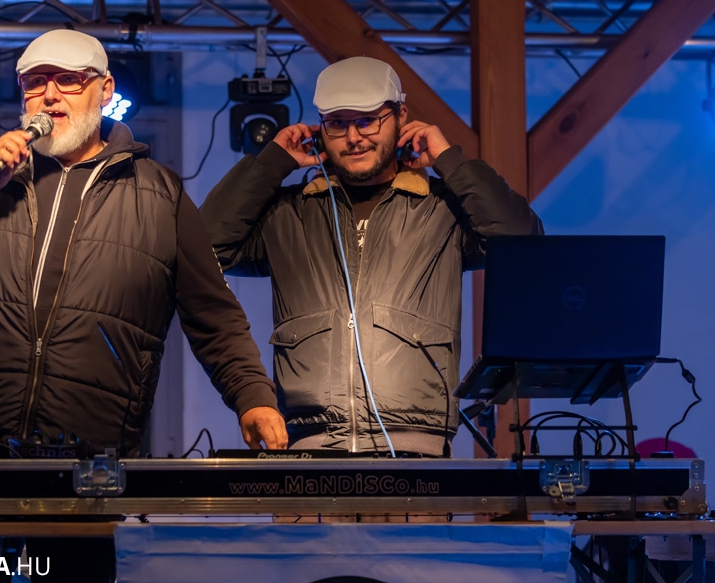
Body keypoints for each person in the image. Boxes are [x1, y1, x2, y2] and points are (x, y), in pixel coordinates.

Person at [0, 29, 287, 583]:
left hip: (86, 474)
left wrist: (253, 397)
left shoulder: (160, 195)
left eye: (68, 80)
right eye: (35, 82)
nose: (49, 95)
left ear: (105, 89)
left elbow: (214, 317)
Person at [201, 56, 542, 458]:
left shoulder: (442, 210)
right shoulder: (289, 212)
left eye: (367, 121)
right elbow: (204, 251)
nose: (353, 137)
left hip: (418, 452)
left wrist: (450, 161)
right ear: (320, 128)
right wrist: (272, 163)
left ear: (401, 116)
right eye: (337, 123)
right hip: (309, 450)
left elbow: (523, 243)